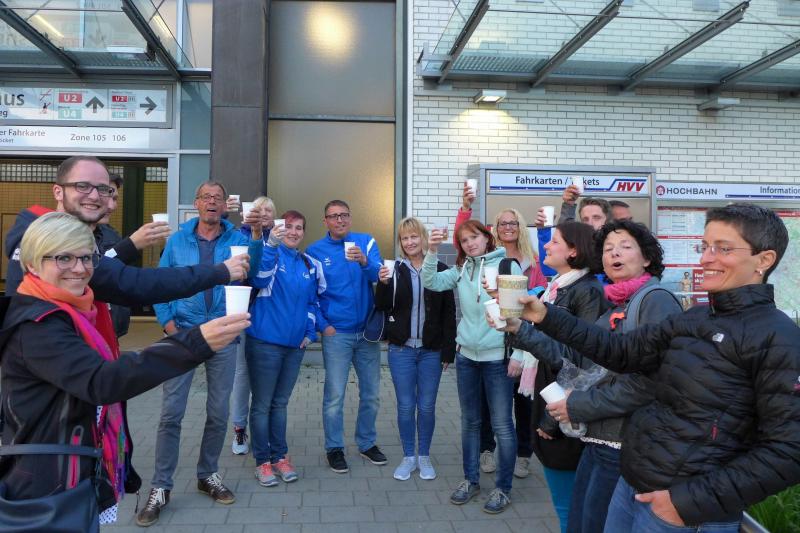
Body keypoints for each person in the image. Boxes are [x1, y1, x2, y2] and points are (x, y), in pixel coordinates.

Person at [513, 203, 800, 532]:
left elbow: (789, 449)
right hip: (634, 486)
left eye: (723, 249)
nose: (706, 259)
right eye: (704, 246)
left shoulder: (778, 338)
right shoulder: (695, 318)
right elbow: (621, 351)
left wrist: (687, 503)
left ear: (764, 260)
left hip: (683, 511)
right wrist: (545, 315)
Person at [0, 212, 250, 529]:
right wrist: (194, 342)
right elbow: (102, 381)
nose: (79, 269)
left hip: (64, 472)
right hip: (43, 485)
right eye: (63, 258)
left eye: (86, 257)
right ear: (33, 264)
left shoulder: (68, 311)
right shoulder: (38, 325)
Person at [501, 220, 681, 533]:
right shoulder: (615, 305)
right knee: (579, 522)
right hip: (599, 439)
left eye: (625, 247)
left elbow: (650, 384)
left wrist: (578, 405)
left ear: (647, 258)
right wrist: (520, 328)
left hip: (624, 444)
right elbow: (575, 358)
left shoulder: (656, 300)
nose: (614, 254)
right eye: (608, 249)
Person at [136, 180, 263, 527]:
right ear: (196, 203)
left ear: (225, 205)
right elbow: (160, 285)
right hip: (183, 334)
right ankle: (161, 486)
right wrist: (168, 325)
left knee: (218, 413)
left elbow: (253, 273)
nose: (212, 202)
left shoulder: (236, 239)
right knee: (170, 414)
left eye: (217, 198)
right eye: (206, 197)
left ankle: (207, 474)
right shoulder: (178, 241)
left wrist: (256, 235)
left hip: (222, 333)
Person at [3, 156, 250, 305]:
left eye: (104, 190)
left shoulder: (89, 235)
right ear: (58, 191)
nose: (96, 197)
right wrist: (220, 272)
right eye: (82, 186)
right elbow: (133, 283)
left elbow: (108, 273)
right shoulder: (44, 237)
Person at [511, 222, 609, 532]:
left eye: (554, 241)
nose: (546, 246)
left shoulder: (587, 292)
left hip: (565, 411)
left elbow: (578, 363)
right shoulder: (558, 286)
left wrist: (552, 420)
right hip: (553, 399)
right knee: (568, 506)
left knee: (570, 509)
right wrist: (514, 324)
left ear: (574, 251)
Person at [422, 219, 523, 515]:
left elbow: (520, 316)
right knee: (470, 422)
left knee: (502, 425)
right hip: (466, 356)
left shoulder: (507, 266)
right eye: (464, 240)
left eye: (474, 237)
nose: (470, 244)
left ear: (486, 237)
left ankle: (503, 488)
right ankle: (471, 480)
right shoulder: (462, 268)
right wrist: (432, 251)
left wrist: (518, 354)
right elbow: (431, 281)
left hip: (497, 357)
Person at [454, 181, 548, 478]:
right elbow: (463, 239)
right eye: (502, 223)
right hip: (488, 345)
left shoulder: (532, 260)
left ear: (520, 227)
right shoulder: (482, 258)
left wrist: (521, 349)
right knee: (487, 405)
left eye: (513, 223)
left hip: (519, 340)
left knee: (522, 402)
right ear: (493, 230)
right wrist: (465, 207)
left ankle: (523, 454)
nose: (508, 227)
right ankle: (486, 449)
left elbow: (539, 302)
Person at [306, 200, 386, 473]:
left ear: (350, 218)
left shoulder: (366, 241)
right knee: (335, 396)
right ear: (325, 221)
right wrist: (324, 325)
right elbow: (310, 295)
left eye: (344, 215)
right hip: (337, 333)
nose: (339, 220)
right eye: (333, 216)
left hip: (366, 333)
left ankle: (366, 443)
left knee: (371, 394)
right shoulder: (314, 251)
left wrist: (364, 261)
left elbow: (381, 276)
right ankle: (334, 448)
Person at [375, 217, 456, 482]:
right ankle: (409, 456)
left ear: (423, 238)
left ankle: (424, 456)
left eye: (413, 236)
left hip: (432, 350)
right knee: (406, 406)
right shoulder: (394, 269)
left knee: (428, 406)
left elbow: (449, 313)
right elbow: (382, 306)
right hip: (402, 350)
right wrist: (383, 284)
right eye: (404, 238)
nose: (409, 242)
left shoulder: (440, 268)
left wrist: (448, 351)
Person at [245, 210, 320, 487]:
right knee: (262, 404)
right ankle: (262, 461)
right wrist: (270, 245)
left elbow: (312, 302)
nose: (294, 232)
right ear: (279, 229)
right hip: (265, 343)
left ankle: (280, 456)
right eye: (288, 226)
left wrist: (309, 333)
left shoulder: (307, 263)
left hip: (294, 347)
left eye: (299, 228)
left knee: (280, 404)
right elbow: (259, 279)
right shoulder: (271, 254)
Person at [230, 195, 278, 456]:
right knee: (242, 374)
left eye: (269, 210)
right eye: (260, 210)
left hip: (270, 318)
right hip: (245, 313)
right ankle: (239, 427)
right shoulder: (239, 237)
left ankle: (264, 427)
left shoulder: (281, 239)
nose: (265, 214)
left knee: (266, 376)